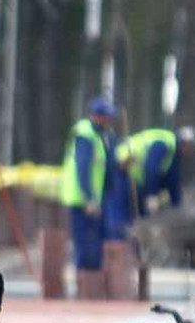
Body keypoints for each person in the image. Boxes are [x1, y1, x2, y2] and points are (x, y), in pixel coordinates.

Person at [59, 98, 118, 298]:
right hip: (81, 200)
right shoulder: (85, 135)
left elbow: (105, 168)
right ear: (95, 116)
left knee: (95, 242)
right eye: (104, 117)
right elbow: (82, 169)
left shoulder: (101, 135)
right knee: (84, 242)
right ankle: (83, 289)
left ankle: (91, 289)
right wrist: (89, 199)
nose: (107, 120)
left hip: (93, 200)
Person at [114, 128, 182, 217]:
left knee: (140, 209)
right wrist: (152, 195)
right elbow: (151, 168)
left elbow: (173, 179)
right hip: (122, 164)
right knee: (123, 208)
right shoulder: (164, 145)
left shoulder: (171, 151)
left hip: (134, 173)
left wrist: (177, 204)